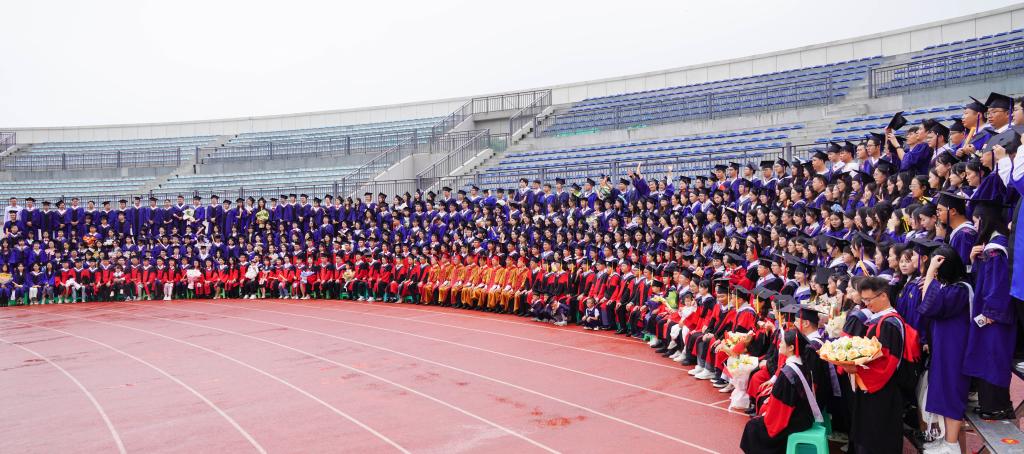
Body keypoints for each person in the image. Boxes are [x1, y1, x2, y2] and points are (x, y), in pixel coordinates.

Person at [918, 246, 972, 453]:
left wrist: (930, 272)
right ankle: (946, 440)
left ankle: (952, 444)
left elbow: (928, 305)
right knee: (943, 391)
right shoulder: (953, 288)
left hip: (954, 349)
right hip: (945, 348)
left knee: (951, 392)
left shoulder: (959, 290)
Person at [739, 328, 818, 454]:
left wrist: (766, 415)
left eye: (782, 342)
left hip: (795, 419)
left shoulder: (788, 374)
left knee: (752, 427)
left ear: (791, 348)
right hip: (803, 415)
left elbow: (781, 408)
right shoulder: (802, 364)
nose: (779, 344)